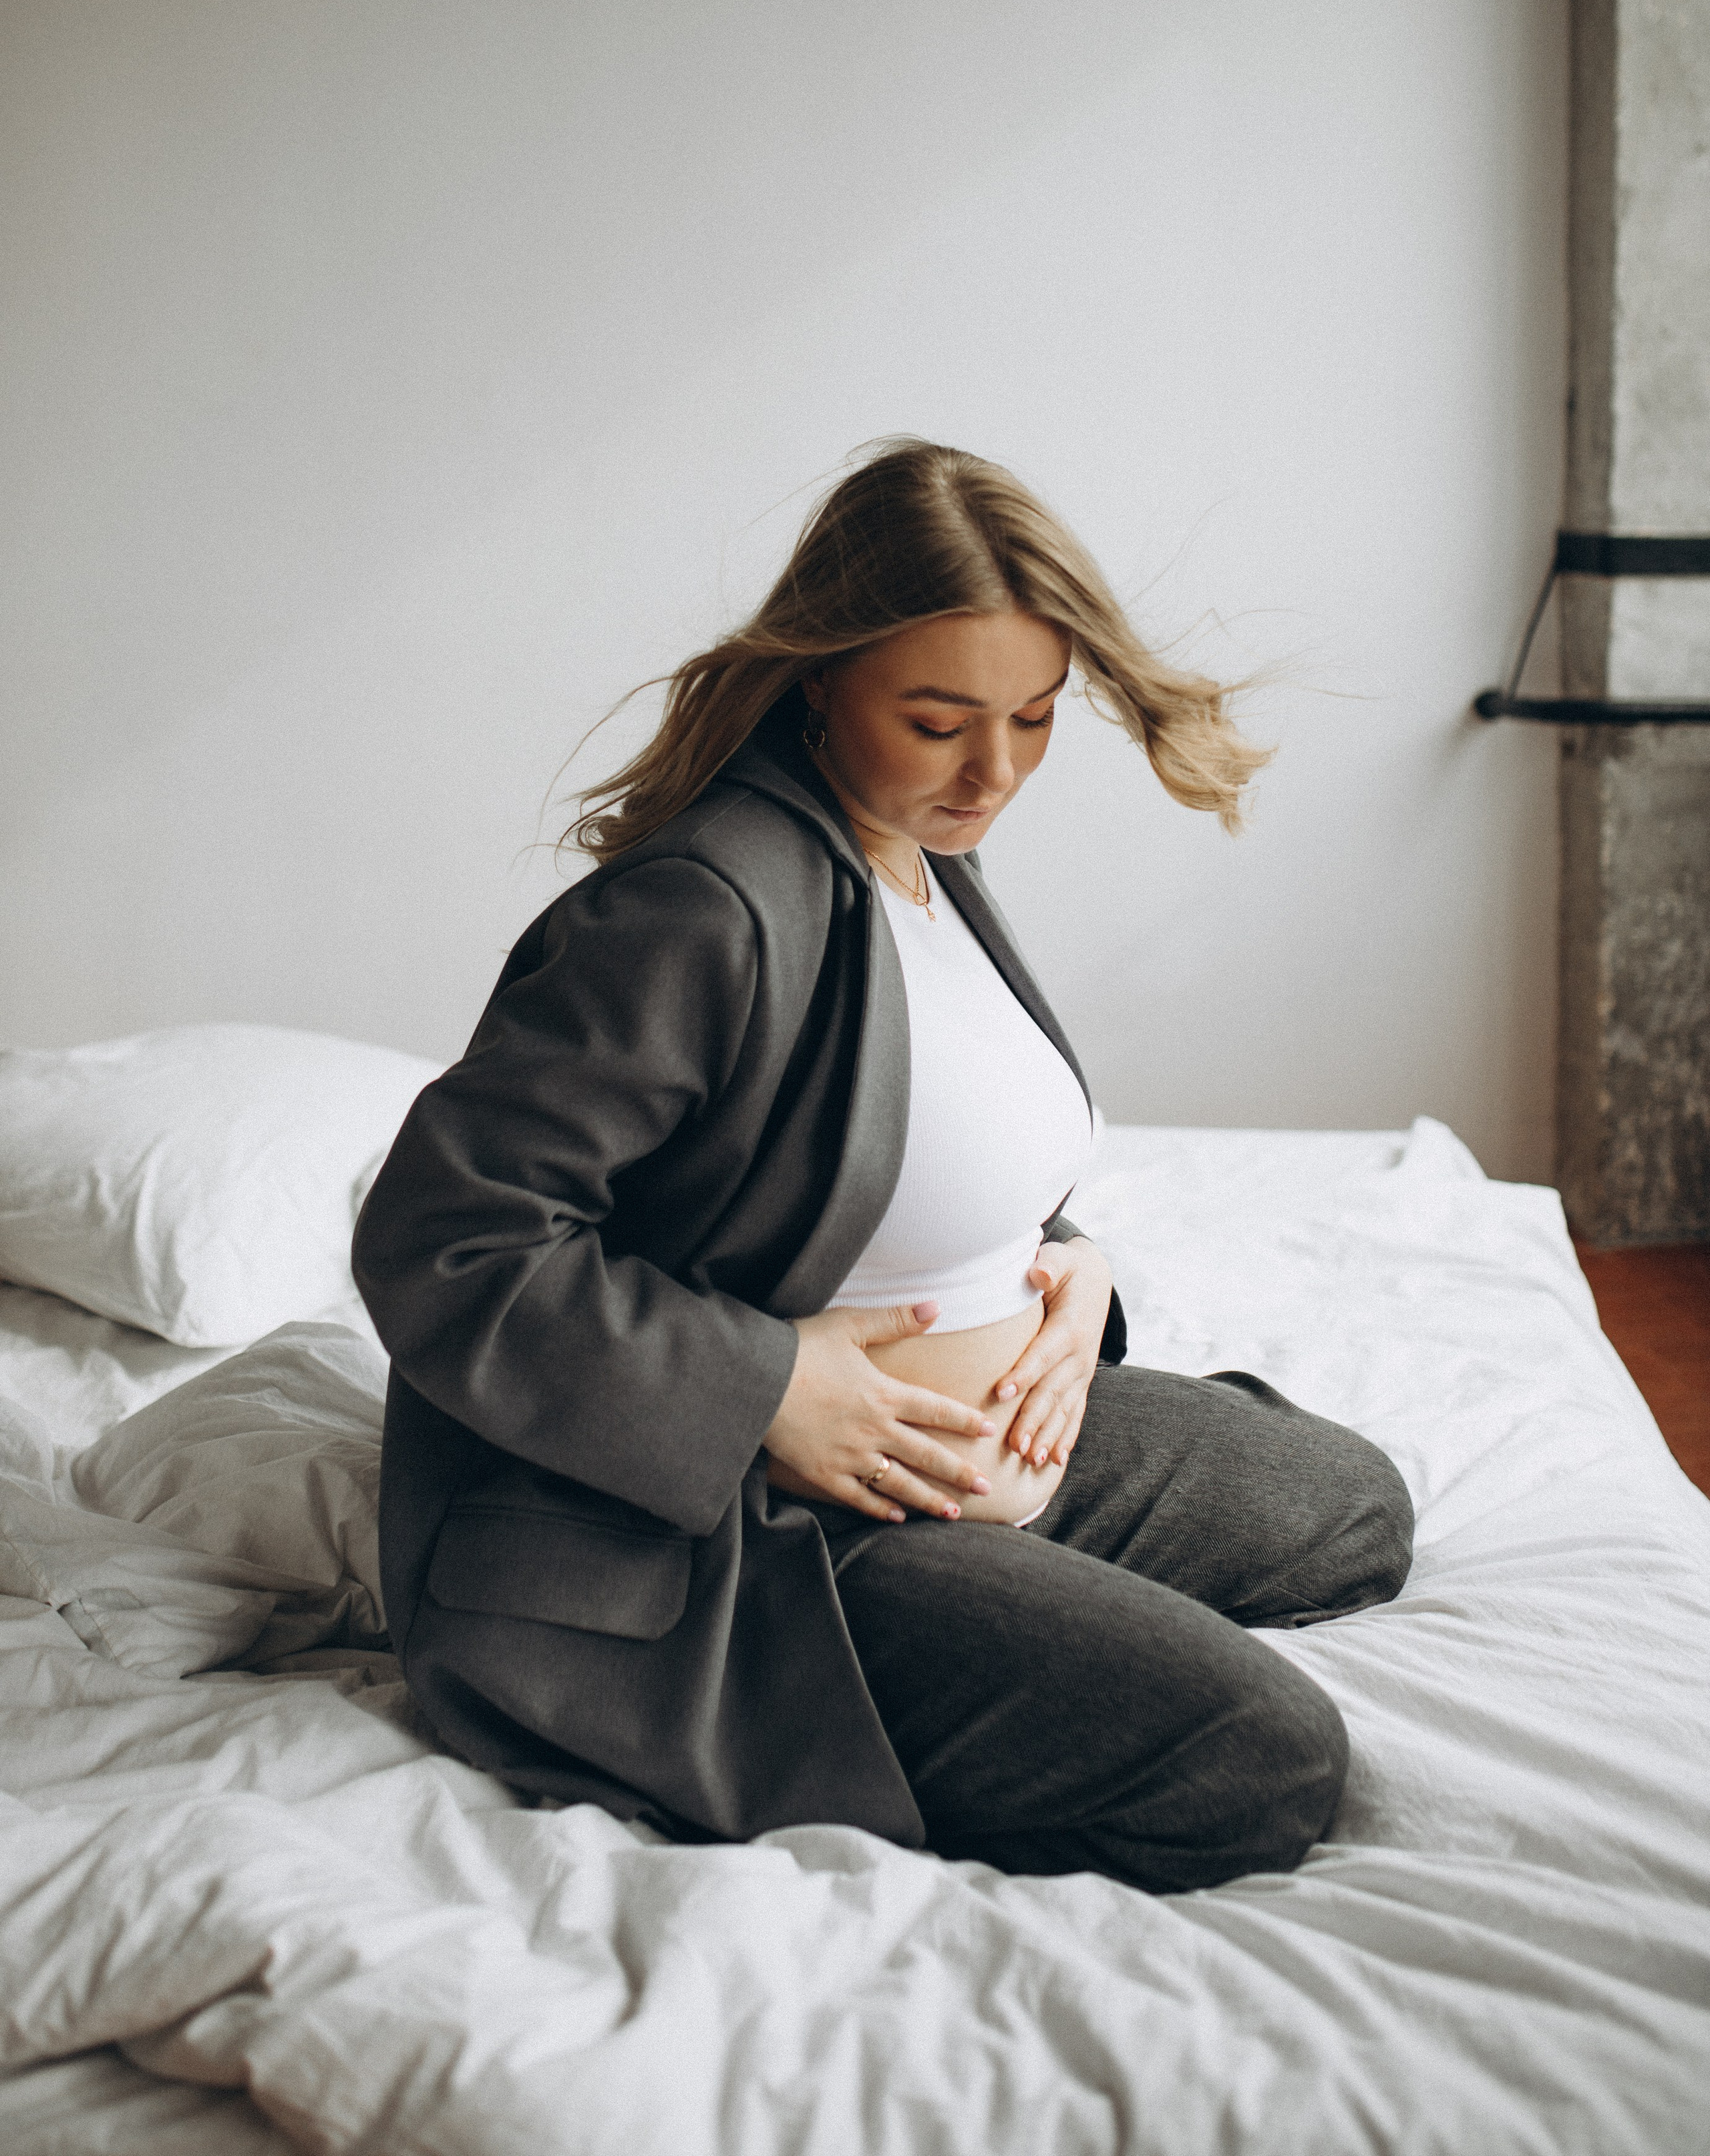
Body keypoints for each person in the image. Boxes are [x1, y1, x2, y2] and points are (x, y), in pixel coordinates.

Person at [353, 440, 1412, 1891]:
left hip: (976, 1440)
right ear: (819, 680)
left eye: (1034, 716)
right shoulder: (702, 908)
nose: (996, 771)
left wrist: (1071, 1275)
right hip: (764, 1526)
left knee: (1350, 1509)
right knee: (1262, 1759)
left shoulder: (921, 854)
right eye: (938, 720)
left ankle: (1005, 1585)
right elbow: (445, 1235)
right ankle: (940, 1629)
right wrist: (769, 1393)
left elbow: (894, 1154)